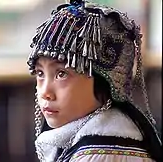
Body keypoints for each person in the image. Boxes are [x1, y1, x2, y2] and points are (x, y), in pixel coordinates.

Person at [26, 0, 162, 161]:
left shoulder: (102, 153)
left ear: (104, 80)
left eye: (61, 74)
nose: (45, 92)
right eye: (40, 73)